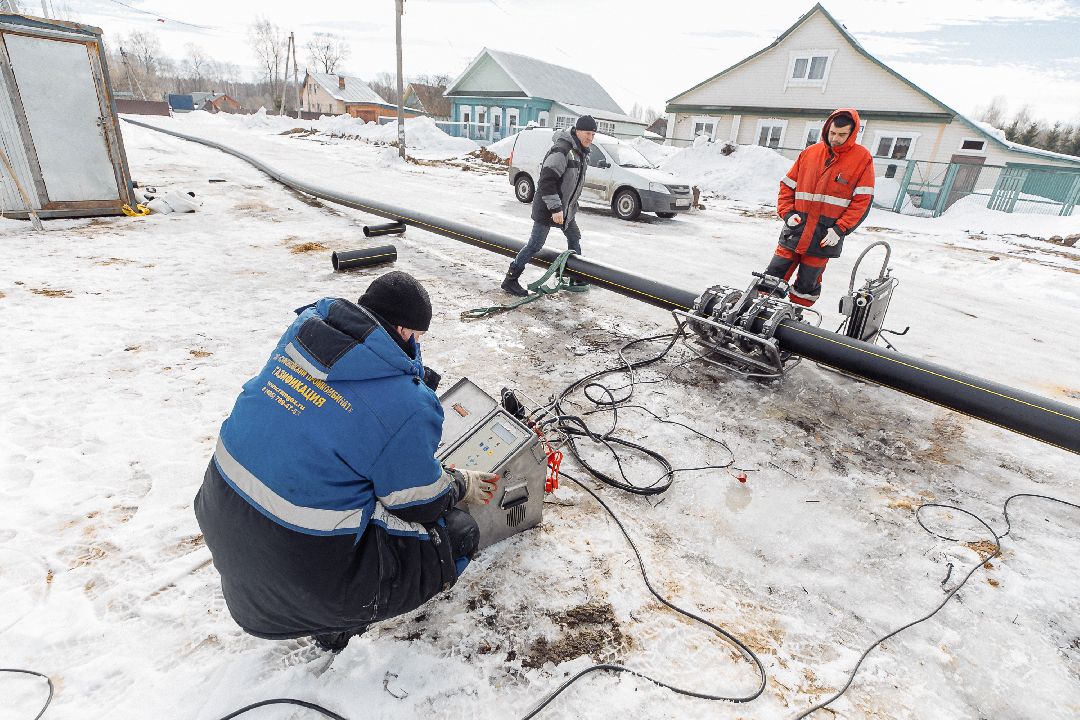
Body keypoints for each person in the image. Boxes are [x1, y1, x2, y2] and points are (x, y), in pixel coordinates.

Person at [194, 271, 499, 654]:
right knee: (457, 532)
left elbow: (336, 420)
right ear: (404, 331)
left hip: (228, 533)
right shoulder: (406, 404)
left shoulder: (303, 342)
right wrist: (460, 483)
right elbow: (420, 505)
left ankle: (321, 607)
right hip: (301, 580)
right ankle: (335, 625)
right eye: (419, 336)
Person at [758, 108, 874, 307]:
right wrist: (787, 213)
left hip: (824, 236)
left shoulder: (862, 159)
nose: (835, 139)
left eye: (842, 135)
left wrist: (840, 229)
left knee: (807, 283)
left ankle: (795, 316)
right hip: (796, 230)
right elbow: (787, 186)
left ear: (852, 134)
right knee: (773, 275)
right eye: (832, 133)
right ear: (827, 129)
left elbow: (862, 201)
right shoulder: (810, 153)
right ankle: (761, 309)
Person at [502, 115, 597, 297]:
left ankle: (575, 275)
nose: (590, 138)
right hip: (548, 207)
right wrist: (555, 208)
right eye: (587, 133)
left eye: (593, 134)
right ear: (577, 131)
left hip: (565, 209)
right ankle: (511, 279)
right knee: (535, 245)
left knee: (574, 237)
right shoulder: (562, 150)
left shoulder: (581, 153)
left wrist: (568, 207)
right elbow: (546, 181)